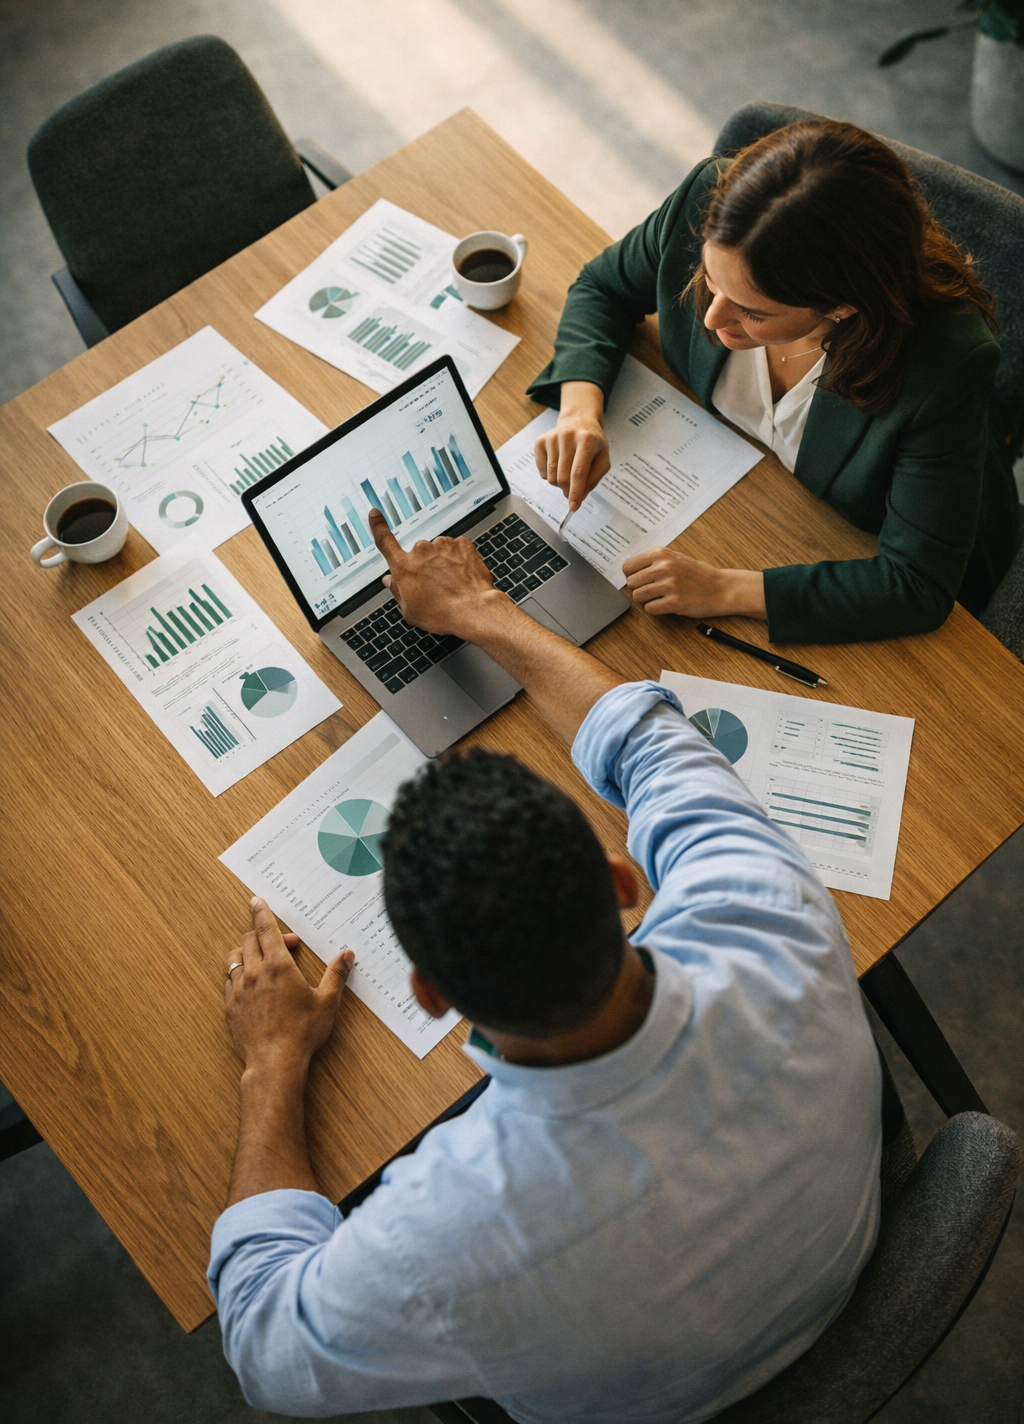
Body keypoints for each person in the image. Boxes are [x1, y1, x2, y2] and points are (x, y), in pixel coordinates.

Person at [209, 507, 882, 1424]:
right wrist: (483, 608)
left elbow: (262, 1342)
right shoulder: (769, 901)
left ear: (432, 994)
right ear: (622, 881)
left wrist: (272, 1061)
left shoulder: (441, 1235)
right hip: (847, 1270)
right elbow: (645, 738)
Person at [528, 119, 1019, 645]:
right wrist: (581, 409)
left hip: (854, 547)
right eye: (711, 282)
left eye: (752, 312)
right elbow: (602, 287)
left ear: (843, 304)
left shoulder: (946, 363)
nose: (713, 319)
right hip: (741, 498)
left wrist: (724, 590)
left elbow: (915, 584)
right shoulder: (704, 200)